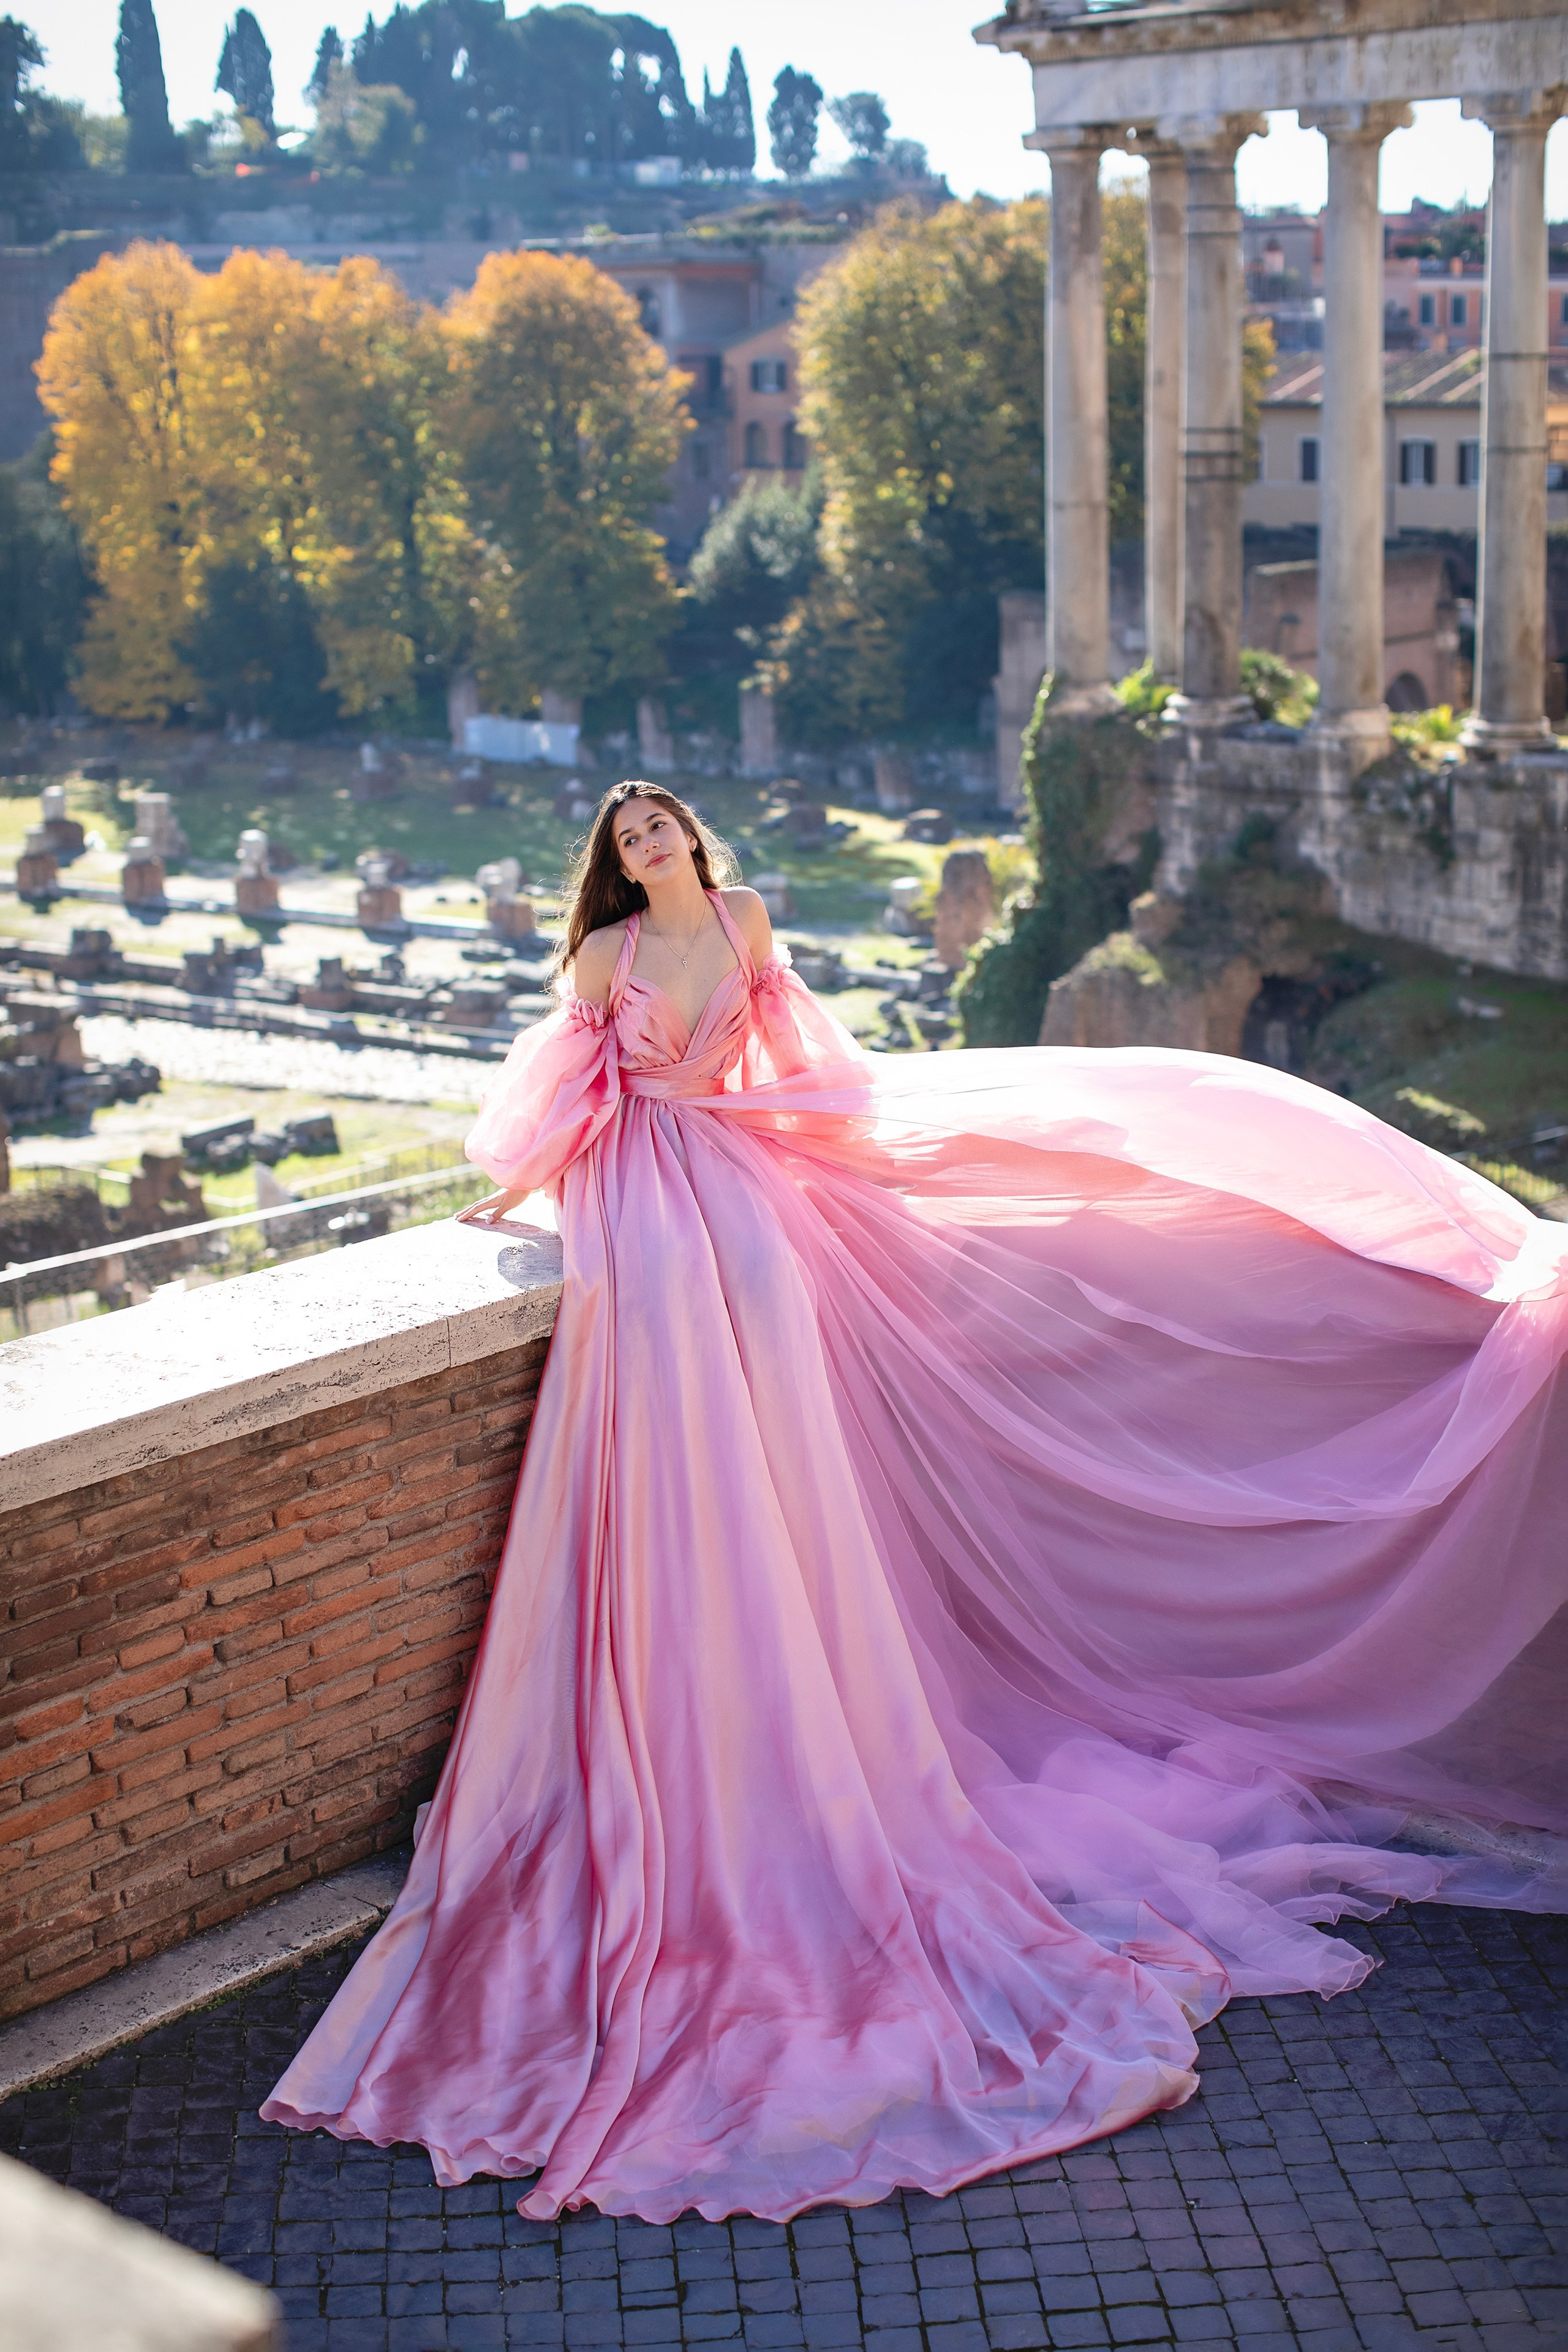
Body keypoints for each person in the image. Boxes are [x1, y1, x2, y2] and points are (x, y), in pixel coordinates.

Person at [262, 781, 1568, 2225]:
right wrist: (515, 1199)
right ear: (613, 869)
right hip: (642, 1187)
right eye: (624, 843)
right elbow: (566, 1100)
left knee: (766, 1312)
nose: (646, 853)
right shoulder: (602, 962)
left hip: (746, 1170)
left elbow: (809, 1061)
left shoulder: (749, 921)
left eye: (659, 832)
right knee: (670, 1346)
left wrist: (849, 1155)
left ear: (692, 840)